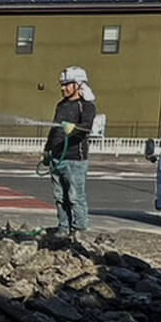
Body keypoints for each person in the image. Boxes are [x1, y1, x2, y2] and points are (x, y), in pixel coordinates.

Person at [43, 66, 97, 236]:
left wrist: (74, 128)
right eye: (62, 84)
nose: (63, 88)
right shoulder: (61, 105)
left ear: (78, 85)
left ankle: (79, 230)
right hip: (57, 157)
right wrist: (47, 149)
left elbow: (87, 128)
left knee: (75, 197)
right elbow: (54, 129)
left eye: (67, 84)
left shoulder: (86, 106)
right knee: (60, 197)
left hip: (75, 159)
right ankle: (63, 227)